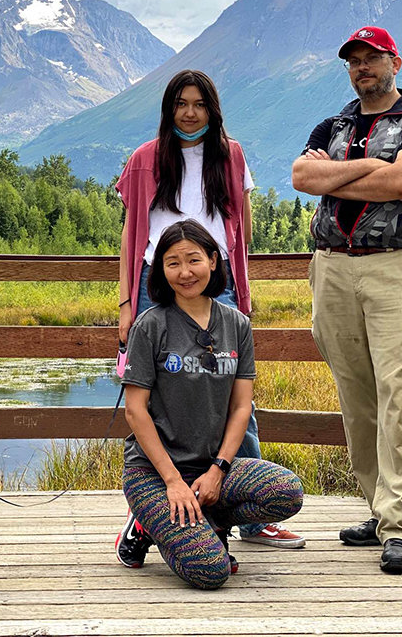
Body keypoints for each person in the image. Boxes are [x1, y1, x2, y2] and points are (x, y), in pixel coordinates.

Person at [114, 69, 306, 566]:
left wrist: (244, 290)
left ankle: (250, 515)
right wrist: (125, 304)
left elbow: (239, 228)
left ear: (212, 108)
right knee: (155, 392)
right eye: (181, 102)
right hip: (157, 279)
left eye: (199, 103)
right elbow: (132, 233)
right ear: (169, 107)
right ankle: (150, 507)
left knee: (233, 391)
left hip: (217, 277)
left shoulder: (231, 155)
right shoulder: (145, 159)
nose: (190, 112)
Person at [291, 26, 402, 574]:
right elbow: (301, 175)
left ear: (395, 62)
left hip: (398, 268)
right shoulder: (332, 124)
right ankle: (380, 511)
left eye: (372, 58)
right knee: (357, 396)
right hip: (332, 269)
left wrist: (338, 178)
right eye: (354, 61)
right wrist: (369, 171)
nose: (362, 68)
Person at [120, 220, 304, 590]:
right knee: (210, 571)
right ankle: (145, 521)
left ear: (214, 261)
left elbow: (241, 408)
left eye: (194, 260)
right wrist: (173, 481)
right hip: (155, 474)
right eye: (172, 263)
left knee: (286, 491)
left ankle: (212, 521)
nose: (185, 272)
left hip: (211, 470)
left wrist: (219, 469)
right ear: (160, 270)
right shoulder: (150, 325)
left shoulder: (236, 324)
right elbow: (134, 410)